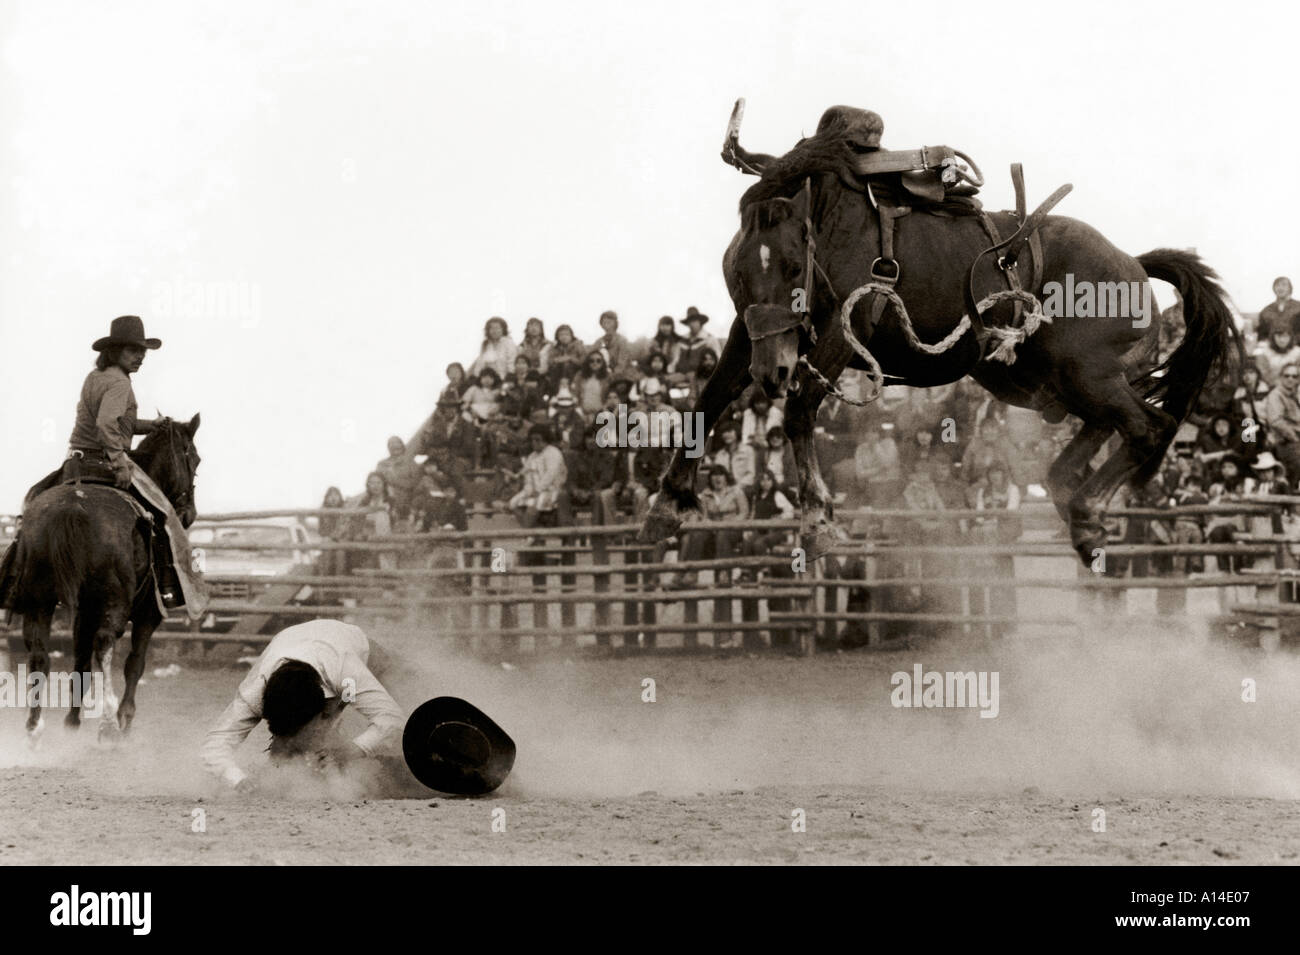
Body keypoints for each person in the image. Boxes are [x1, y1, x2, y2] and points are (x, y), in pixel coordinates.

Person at [0, 316, 199, 613]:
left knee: (32, 505)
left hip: (75, 465)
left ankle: (10, 583)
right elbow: (108, 424)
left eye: (143, 351)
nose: (140, 357)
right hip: (106, 464)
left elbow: (117, 422)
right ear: (115, 351)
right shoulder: (120, 384)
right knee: (164, 517)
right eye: (133, 350)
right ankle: (164, 591)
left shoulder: (95, 378)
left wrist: (150, 425)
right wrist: (120, 463)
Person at [199, 619, 407, 792]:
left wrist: (353, 750)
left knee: (403, 697)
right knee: (291, 749)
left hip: (350, 646)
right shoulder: (254, 693)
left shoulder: (345, 672)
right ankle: (283, 773)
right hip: (303, 646)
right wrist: (238, 780)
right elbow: (214, 744)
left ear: (322, 713)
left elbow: (391, 718)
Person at [670, 465, 749, 589]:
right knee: (697, 533)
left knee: (723, 534)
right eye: (714, 476)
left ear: (726, 478)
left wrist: (727, 524)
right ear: (710, 479)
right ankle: (692, 572)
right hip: (712, 529)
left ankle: (723, 572)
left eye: (720, 476)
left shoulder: (736, 491)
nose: (717, 479)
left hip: (732, 529)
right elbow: (704, 515)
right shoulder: (706, 495)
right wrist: (708, 522)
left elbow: (744, 513)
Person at [508, 424, 568, 527]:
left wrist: (538, 489)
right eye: (532, 440)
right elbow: (527, 475)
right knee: (513, 504)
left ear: (546, 440)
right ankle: (532, 534)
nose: (534, 443)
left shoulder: (553, 453)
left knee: (534, 504)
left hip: (553, 490)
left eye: (538, 440)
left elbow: (551, 474)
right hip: (534, 490)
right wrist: (527, 488)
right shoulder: (532, 456)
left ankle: (529, 535)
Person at [1263, 363, 1300, 480]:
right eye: (1287, 376)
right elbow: (1276, 422)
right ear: (1281, 377)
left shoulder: (1294, 395)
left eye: (1294, 376)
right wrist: (1295, 438)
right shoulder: (1276, 395)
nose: (1290, 379)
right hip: (1285, 441)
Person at [673, 307, 720, 377]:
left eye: (694, 321)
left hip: (702, 376)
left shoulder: (709, 339)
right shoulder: (682, 340)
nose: (692, 324)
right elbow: (675, 360)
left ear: (700, 322)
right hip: (681, 375)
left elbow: (717, 358)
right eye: (690, 322)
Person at [1256, 276, 1300, 342]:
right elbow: (1262, 335)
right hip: (1272, 348)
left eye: (1284, 285)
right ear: (1273, 289)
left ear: (1290, 288)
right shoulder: (1266, 311)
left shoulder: (1298, 307)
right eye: (1277, 285)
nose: (1280, 288)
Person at [592, 310, 631, 378]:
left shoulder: (622, 340)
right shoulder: (598, 342)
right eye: (604, 322)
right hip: (601, 375)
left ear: (615, 323)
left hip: (620, 376)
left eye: (609, 321)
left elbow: (622, 364)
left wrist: (612, 376)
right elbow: (592, 359)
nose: (606, 323)